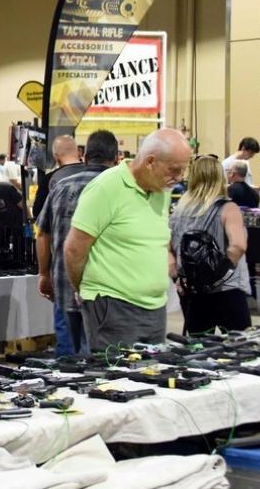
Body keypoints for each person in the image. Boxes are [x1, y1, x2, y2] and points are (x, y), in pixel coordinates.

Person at [64, 128, 191, 350]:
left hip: (155, 308)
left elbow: (156, 239)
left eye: (183, 171)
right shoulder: (106, 188)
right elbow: (74, 250)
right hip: (113, 308)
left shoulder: (162, 189)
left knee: (153, 378)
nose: (179, 178)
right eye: (174, 170)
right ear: (150, 161)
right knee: (117, 381)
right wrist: (85, 290)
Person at [36, 130, 119, 355]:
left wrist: (44, 273)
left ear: (85, 156)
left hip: (64, 285)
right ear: (117, 158)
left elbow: (42, 234)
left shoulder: (61, 187)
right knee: (105, 363)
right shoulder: (121, 189)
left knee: (68, 361)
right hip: (109, 293)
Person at [170, 156, 252, 335]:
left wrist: (177, 278)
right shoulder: (228, 209)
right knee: (240, 348)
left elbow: (169, 249)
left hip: (191, 290)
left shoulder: (178, 211)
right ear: (219, 177)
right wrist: (218, 273)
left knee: (198, 348)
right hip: (227, 289)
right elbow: (238, 246)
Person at [32, 135, 84, 219]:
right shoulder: (93, 174)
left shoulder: (49, 179)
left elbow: (37, 212)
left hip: (60, 230)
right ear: (78, 152)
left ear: (56, 156)